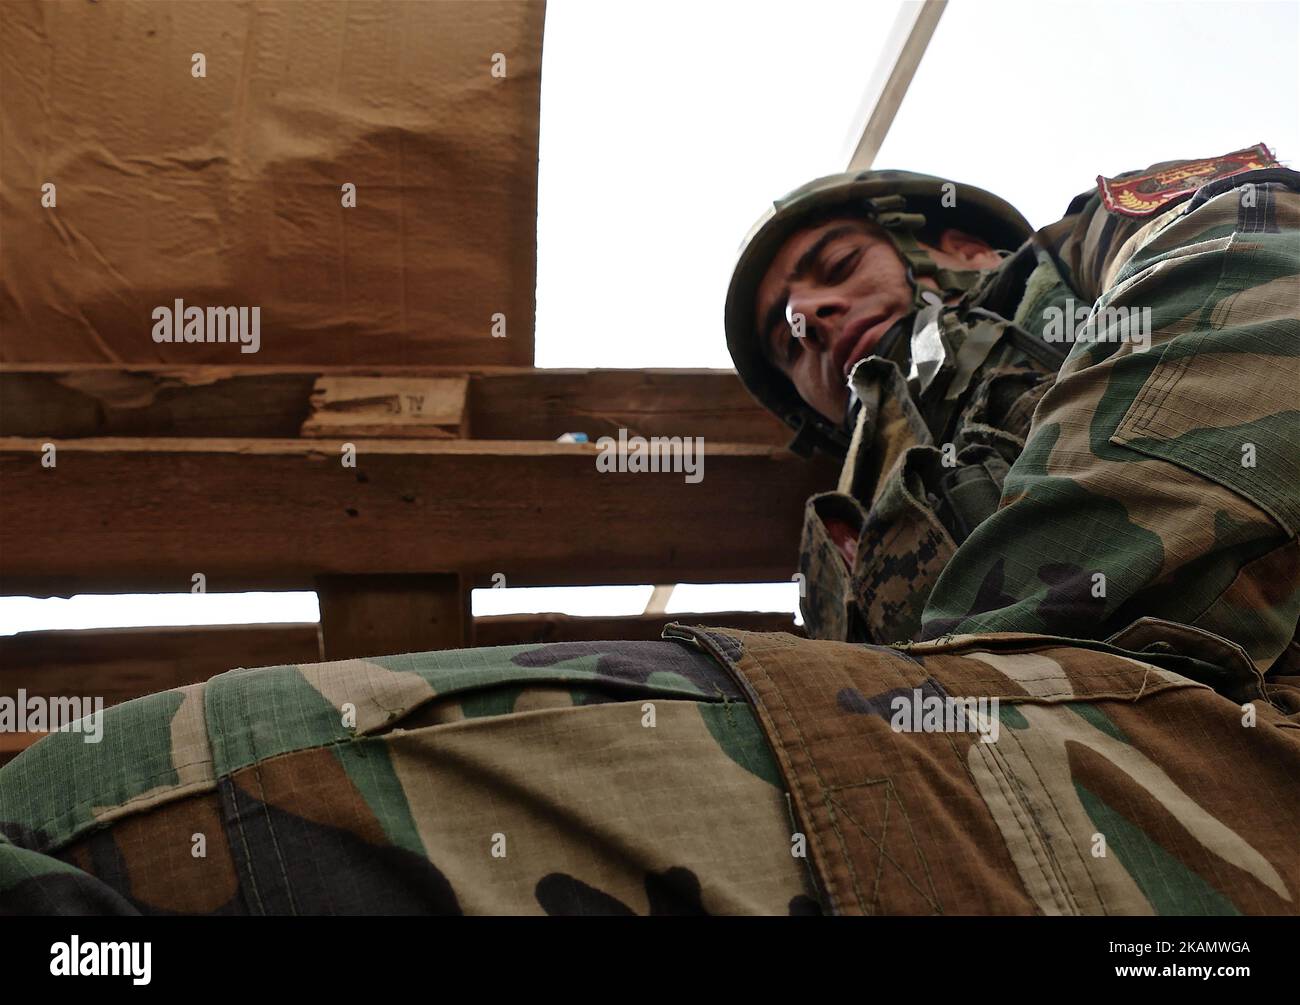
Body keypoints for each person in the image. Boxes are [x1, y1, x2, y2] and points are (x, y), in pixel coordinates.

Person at [3, 147, 1298, 915]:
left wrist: (996, 676)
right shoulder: (844, 530)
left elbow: (1253, 243)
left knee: (118, 804)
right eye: (783, 330)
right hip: (966, 815)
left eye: (834, 270)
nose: (807, 323)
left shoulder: (1076, 270)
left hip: (1206, 763)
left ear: (945, 235)